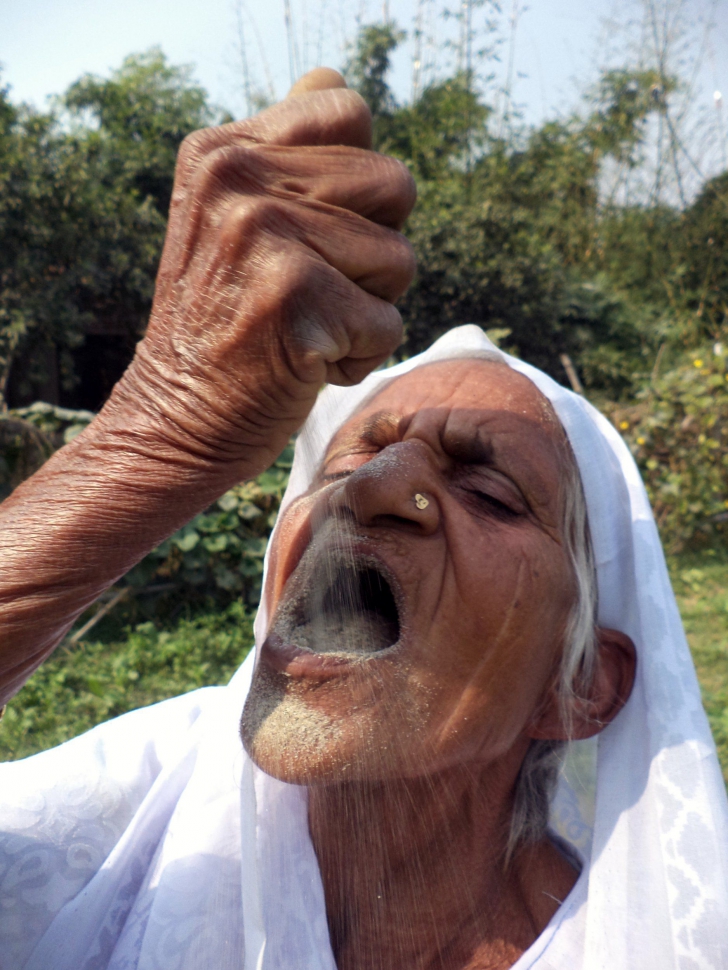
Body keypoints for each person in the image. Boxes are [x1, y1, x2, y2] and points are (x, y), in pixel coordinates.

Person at [0, 70, 726, 970]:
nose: (379, 487)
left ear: (578, 689)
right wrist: (157, 436)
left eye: (494, 495)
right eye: (350, 459)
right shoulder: (130, 815)